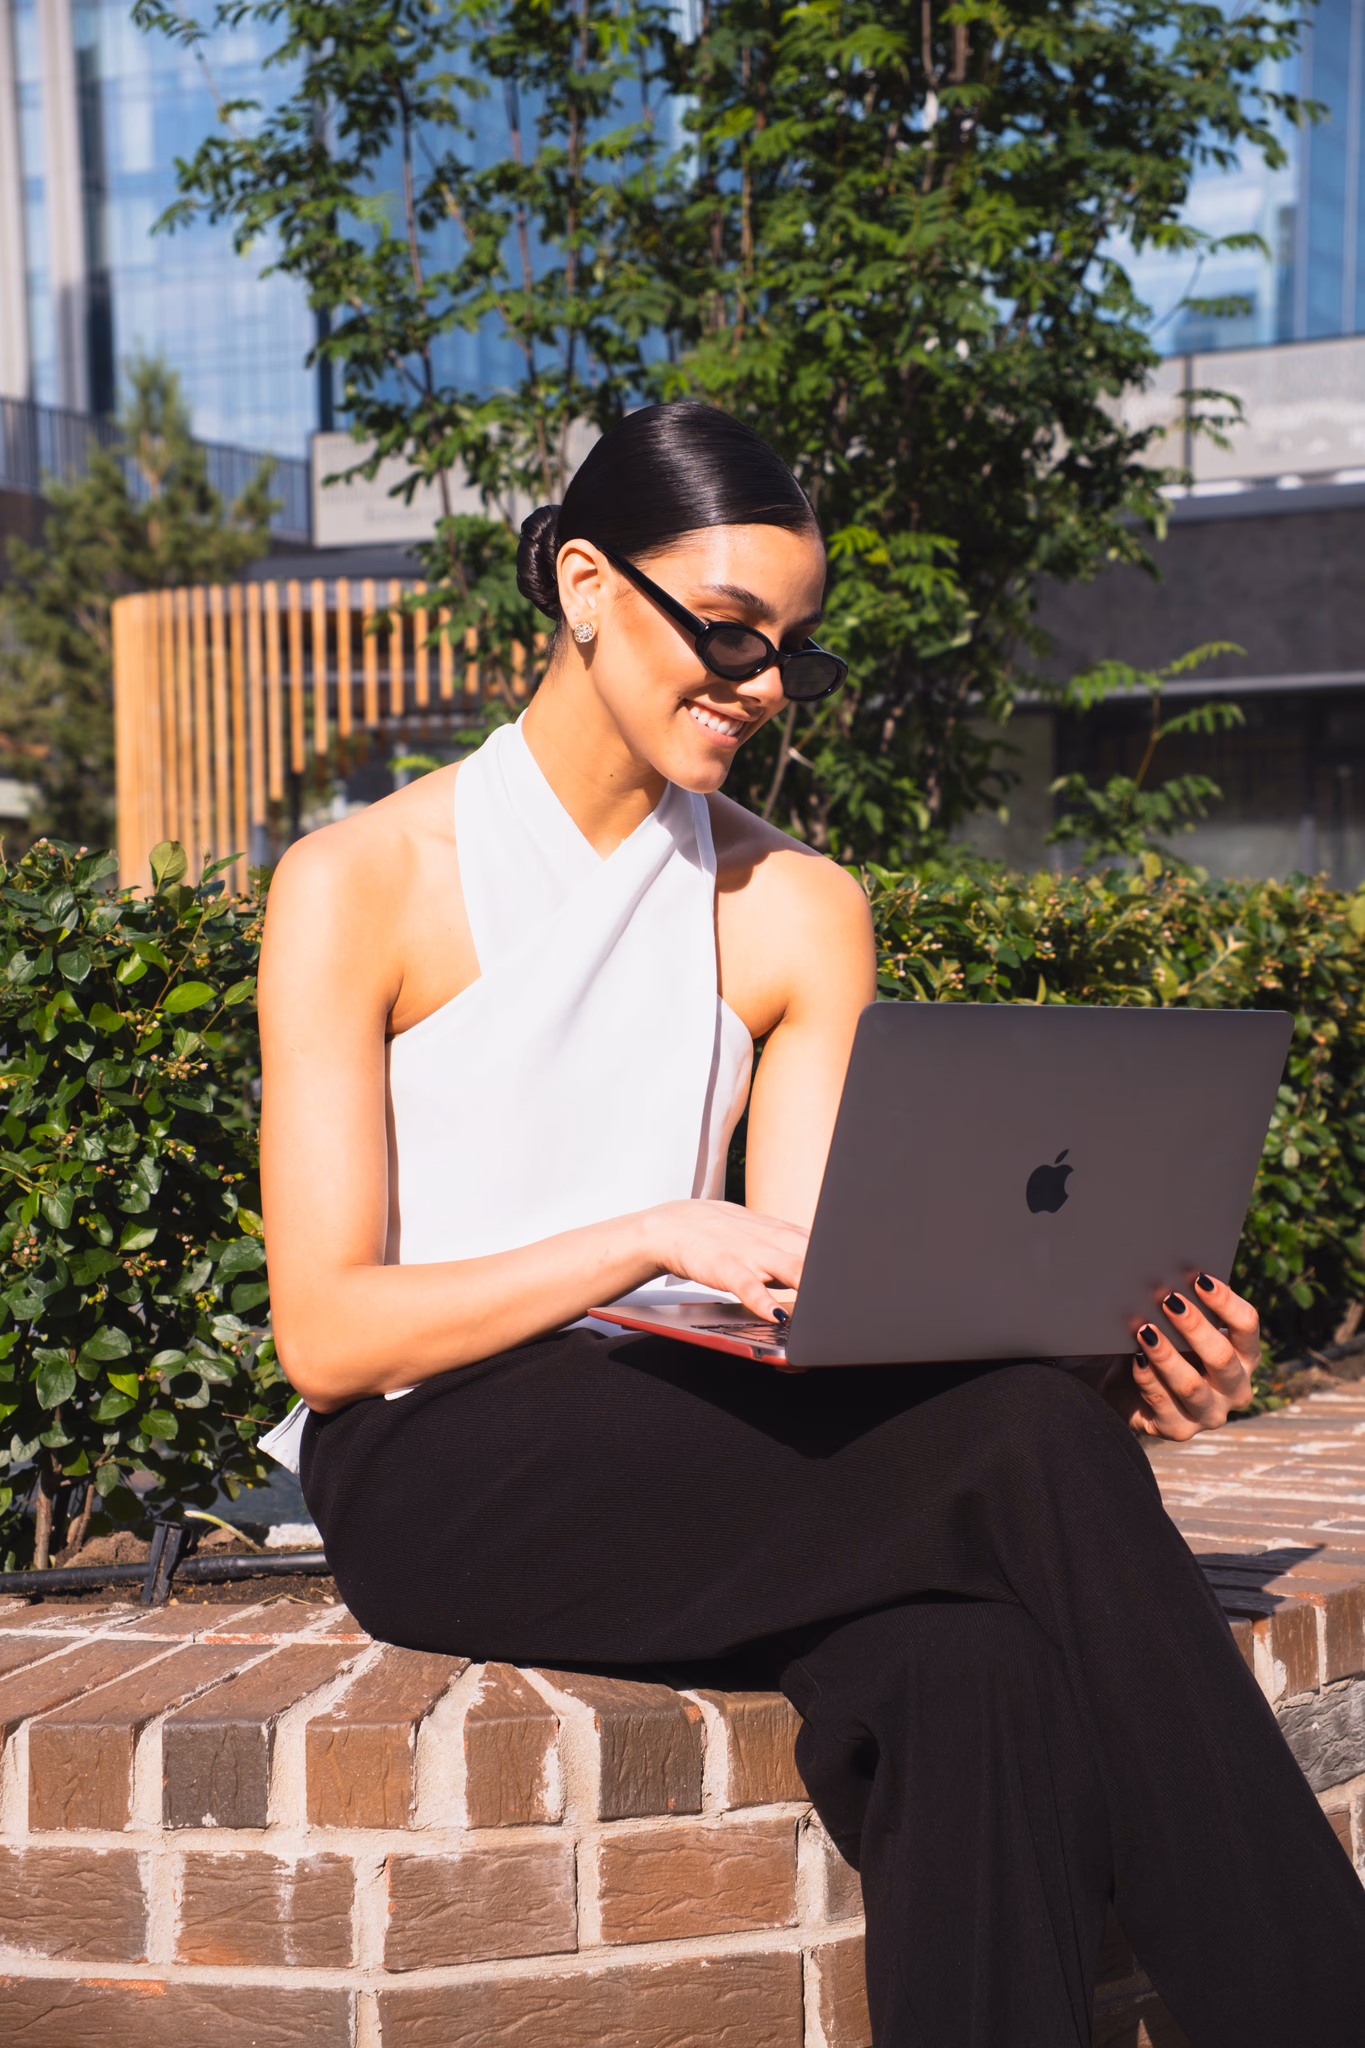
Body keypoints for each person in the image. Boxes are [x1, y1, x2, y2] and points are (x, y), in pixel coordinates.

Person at [258, 402, 1365, 2048]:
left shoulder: (796, 906)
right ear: (582, 584)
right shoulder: (360, 882)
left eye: (788, 650)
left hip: (689, 1437)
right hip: (438, 1463)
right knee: (1018, 1458)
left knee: (968, 1676)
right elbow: (332, 1334)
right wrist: (645, 1232)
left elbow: (816, 1309)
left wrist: (1115, 1358)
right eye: (726, 631)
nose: (762, 683)